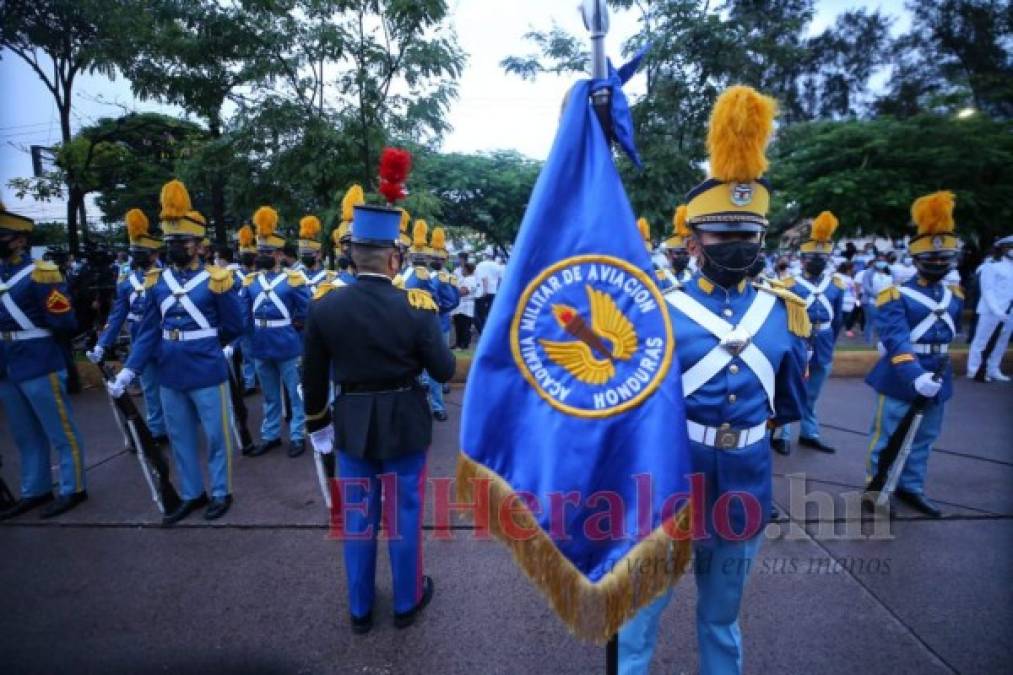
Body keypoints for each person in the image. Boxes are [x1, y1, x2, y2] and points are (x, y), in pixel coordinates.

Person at [619, 86, 808, 675]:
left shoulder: (784, 310)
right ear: (696, 241)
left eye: (749, 235)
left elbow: (790, 396)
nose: (739, 246)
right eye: (724, 236)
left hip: (746, 482)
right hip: (672, 479)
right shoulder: (660, 309)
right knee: (641, 614)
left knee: (723, 618)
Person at [303, 199, 455, 635]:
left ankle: (360, 609)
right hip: (405, 419)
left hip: (350, 421)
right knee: (404, 513)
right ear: (394, 258)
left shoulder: (325, 306)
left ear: (351, 255)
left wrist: (318, 425)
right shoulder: (417, 305)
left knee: (356, 516)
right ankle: (406, 602)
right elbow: (444, 370)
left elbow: (311, 375)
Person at [106, 180, 245, 525]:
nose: (174, 247)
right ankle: (191, 493)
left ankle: (221, 491)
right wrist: (129, 370)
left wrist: (212, 344)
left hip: (205, 367)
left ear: (199, 244)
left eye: (180, 241)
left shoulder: (217, 280)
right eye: (169, 241)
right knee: (180, 436)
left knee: (216, 436)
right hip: (169, 370)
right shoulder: (158, 281)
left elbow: (235, 324)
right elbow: (148, 332)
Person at [864, 191, 964, 518]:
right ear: (916, 261)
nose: (936, 264)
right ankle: (876, 488)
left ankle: (911, 486)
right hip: (901, 375)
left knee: (925, 438)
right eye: (930, 260)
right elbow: (895, 338)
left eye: (942, 260)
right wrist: (915, 375)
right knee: (887, 435)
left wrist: (931, 375)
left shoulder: (955, 295)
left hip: (938, 374)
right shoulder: (895, 295)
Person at [0, 201, 88, 520]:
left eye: (4, 235)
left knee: (59, 429)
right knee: (24, 434)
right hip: (7, 363)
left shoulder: (41, 274)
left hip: (39, 359)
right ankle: (34, 489)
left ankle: (73, 486)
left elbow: (64, 321)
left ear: (21, 239)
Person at [86, 208, 167, 444]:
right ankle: (157, 429)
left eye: (140, 252)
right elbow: (117, 314)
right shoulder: (127, 281)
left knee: (174, 387)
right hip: (140, 339)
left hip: (166, 340)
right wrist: (103, 343)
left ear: (153, 254)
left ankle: (181, 425)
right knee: (151, 388)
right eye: (133, 252)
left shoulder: (167, 276)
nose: (135, 256)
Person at [773, 211, 845, 455]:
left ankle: (809, 432)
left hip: (823, 341)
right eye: (812, 257)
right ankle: (782, 432)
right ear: (802, 259)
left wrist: (830, 343)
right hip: (797, 340)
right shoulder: (788, 285)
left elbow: (838, 319)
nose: (817, 261)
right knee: (789, 386)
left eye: (822, 257)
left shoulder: (835, 285)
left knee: (813, 391)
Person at [244, 206, 309, 458]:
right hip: (261, 344)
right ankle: (270, 435)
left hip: (286, 342)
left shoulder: (293, 280)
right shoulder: (251, 281)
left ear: (280, 254)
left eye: (268, 251)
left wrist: (294, 326)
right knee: (270, 395)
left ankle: (296, 434)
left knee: (295, 393)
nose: (262, 255)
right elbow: (245, 314)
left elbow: (305, 310)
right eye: (260, 251)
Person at [966, 234, 1012, 381]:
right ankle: (974, 369)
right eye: (1011, 247)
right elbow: (988, 290)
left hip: (1010, 311)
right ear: (1004, 248)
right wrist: (997, 310)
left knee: (1001, 341)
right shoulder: (991, 266)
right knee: (981, 341)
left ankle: (993, 369)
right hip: (991, 311)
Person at [297, 214, 335, 294]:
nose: (305, 256)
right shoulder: (296, 277)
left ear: (319, 255)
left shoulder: (330, 278)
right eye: (303, 254)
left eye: (308, 253)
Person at [861, 253, 893, 344]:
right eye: (879, 260)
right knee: (871, 323)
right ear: (875, 262)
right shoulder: (869, 272)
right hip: (871, 302)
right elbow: (866, 286)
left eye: (883, 261)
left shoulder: (889, 272)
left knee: (884, 323)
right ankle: (868, 343)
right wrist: (878, 296)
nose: (881, 262)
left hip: (886, 302)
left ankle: (882, 343)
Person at [452, 262, 477, 349]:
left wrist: (453, 291)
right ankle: (459, 343)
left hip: (464, 305)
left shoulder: (468, 280)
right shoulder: (472, 279)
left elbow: (463, 292)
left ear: (466, 269)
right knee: (462, 326)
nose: (462, 270)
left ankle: (462, 344)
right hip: (466, 305)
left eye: (463, 269)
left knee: (463, 326)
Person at [838, 261, 859, 337]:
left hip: (850, 302)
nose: (853, 271)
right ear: (847, 269)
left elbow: (853, 290)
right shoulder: (837, 277)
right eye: (852, 269)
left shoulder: (849, 278)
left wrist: (856, 300)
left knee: (848, 317)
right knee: (840, 319)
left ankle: (847, 330)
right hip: (842, 302)